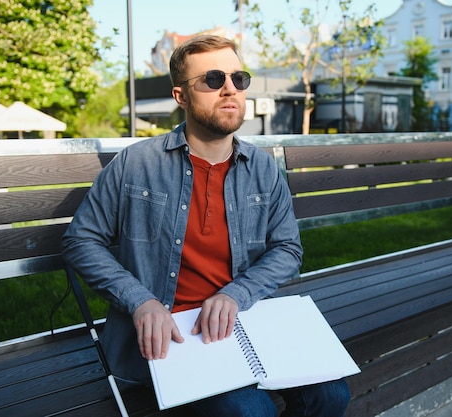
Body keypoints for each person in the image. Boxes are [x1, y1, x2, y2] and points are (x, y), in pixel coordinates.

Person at [61, 34, 350, 417]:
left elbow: (287, 248)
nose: (229, 89)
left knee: (332, 396)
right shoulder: (137, 164)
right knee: (250, 411)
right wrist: (140, 300)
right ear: (181, 96)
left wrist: (236, 295)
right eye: (213, 80)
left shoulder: (262, 168)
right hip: (174, 336)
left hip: (246, 320)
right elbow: (81, 241)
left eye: (238, 78)